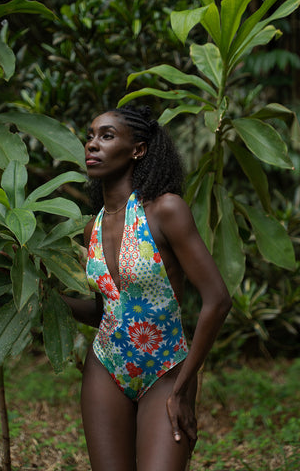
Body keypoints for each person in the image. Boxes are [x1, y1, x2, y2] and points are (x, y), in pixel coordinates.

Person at [65, 105, 232, 471]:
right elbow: (104, 311)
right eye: (90, 136)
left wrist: (184, 390)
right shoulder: (90, 228)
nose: (92, 144)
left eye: (106, 136)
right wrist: (45, 299)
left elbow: (218, 300)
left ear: (137, 149)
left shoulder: (165, 211)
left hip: (166, 371)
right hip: (105, 368)